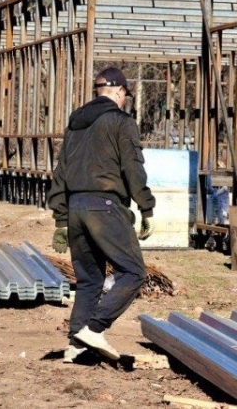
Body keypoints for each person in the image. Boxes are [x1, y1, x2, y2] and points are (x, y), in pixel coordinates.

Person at [48, 67, 155, 363]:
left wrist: (61, 219)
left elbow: (61, 173)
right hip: (105, 207)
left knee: (89, 281)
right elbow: (132, 167)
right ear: (120, 93)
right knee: (133, 272)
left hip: (75, 209)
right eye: (125, 96)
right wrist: (146, 207)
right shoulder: (121, 122)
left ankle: (76, 346)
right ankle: (95, 328)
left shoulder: (75, 126)